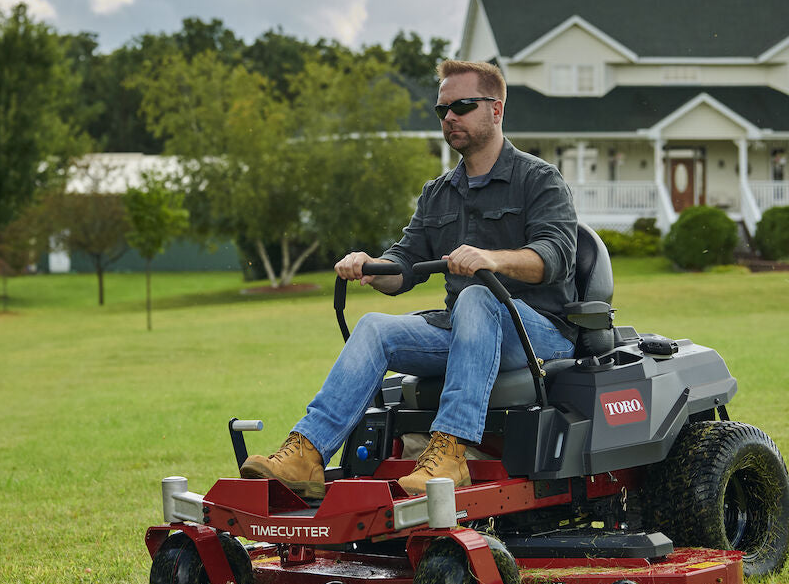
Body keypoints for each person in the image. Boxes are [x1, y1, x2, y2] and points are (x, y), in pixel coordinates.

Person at [241, 59, 578, 497]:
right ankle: (306, 454)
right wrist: (370, 265)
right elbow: (404, 266)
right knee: (376, 327)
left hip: (538, 331)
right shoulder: (437, 193)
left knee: (477, 295)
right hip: (463, 327)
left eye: (462, 106)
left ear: (495, 110)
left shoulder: (538, 180)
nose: (450, 118)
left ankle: (450, 453)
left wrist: (491, 260)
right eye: (442, 111)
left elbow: (556, 256)